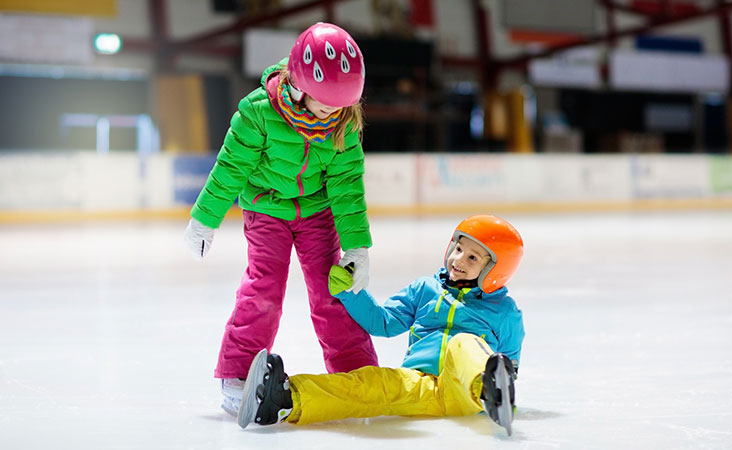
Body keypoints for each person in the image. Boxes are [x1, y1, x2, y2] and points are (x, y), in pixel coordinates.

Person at [183, 22, 379, 416]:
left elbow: (346, 187)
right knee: (264, 289)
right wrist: (205, 219)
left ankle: (355, 371)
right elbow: (230, 169)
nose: (333, 112)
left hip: (316, 213)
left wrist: (356, 245)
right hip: (266, 209)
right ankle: (238, 373)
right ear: (300, 84)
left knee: (333, 292)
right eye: (325, 103)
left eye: (341, 105)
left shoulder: (343, 124)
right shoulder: (257, 113)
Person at [236, 215, 526, 435]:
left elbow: (509, 363)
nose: (458, 259)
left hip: (466, 390)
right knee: (371, 383)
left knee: (463, 344)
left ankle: (491, 392)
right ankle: (284, 398)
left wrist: (498, 380)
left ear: (495, 270)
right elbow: (383, 322)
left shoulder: (504, 312)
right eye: (459, 248)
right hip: (418, 383)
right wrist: (351, 293)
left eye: (473, 257)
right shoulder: (425, 290)